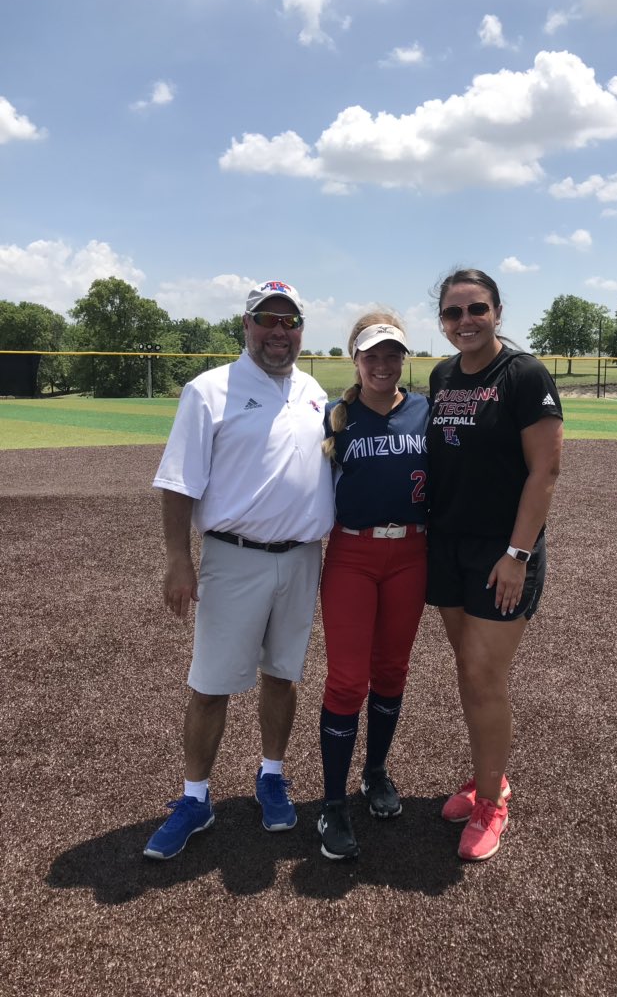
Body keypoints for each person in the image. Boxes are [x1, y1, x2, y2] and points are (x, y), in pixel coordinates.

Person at [143, 279, 334, 860]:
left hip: (301, 558)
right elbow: (179, 482)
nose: (279, 331)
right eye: (266, 320)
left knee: (282, 676)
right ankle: (195, 798)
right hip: (234, 555)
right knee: (210, 685)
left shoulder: (314, 390)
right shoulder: (209, 390)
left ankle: (271, 776)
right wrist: (180, 560)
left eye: (289, 321)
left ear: (302, 328)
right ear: (246, 326)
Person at [425, 268, 563, 862]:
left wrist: (516, 554)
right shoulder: (441, 374)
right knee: (467, 667)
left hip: (501, 550)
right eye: (453, 314)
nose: (465, 322)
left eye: (476, 309)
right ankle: (489, 776)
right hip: (447, 544)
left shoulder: (525, 374)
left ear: (498, 312)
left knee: (485, 673)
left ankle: (491, 803)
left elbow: (546, 471)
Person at [316, 312, 429, 860]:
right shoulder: (335, 419)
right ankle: (332, 803)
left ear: (403, 358)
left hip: (411, 552)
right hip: (353, 554)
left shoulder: (425, 411)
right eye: (372, 356)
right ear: (355, 360)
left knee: (391, 671)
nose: (382, 365)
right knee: (346, 680)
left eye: (392, 355)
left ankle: (376, 772)